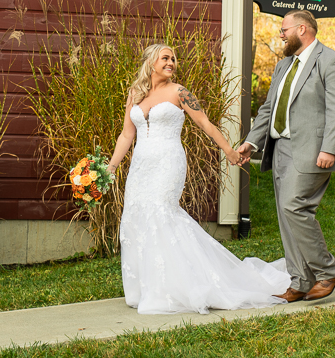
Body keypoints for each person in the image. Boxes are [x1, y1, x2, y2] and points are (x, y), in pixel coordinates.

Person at [107, 43, 290, 314]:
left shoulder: (179, 92)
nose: (172, 62)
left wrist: (228, 150)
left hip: (168, 162)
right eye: (166, 57)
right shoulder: (135, 94)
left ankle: (178, 287)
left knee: (161, 212)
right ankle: (146, 288)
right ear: (150, 61)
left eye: (174, 58)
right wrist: (111, 166)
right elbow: (126, 135)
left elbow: (205, 123)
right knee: (136, 215)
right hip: (141, 166)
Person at [238, 10, 335, 303]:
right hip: (280, 150)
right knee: (285, 216)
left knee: (294, 206)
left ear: (302, 29)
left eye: (283, 29)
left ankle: (327, 271)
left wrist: (329, 148)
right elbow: (268, 109)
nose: (280, 35)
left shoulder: (333, 61)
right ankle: (300, 281)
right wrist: (252, 143)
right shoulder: (283, 67)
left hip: (312, 150)